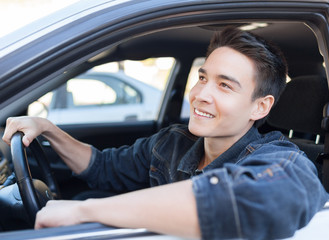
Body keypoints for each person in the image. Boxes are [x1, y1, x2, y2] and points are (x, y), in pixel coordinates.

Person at [3, 27, 328, 240]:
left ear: (260, 107)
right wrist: (47, 129)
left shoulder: (281, 158)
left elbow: (257, 201)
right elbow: (102, 167)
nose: (200, 94)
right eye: (203, 77)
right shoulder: (173, 142)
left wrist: (84, 211)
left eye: (224, 85)